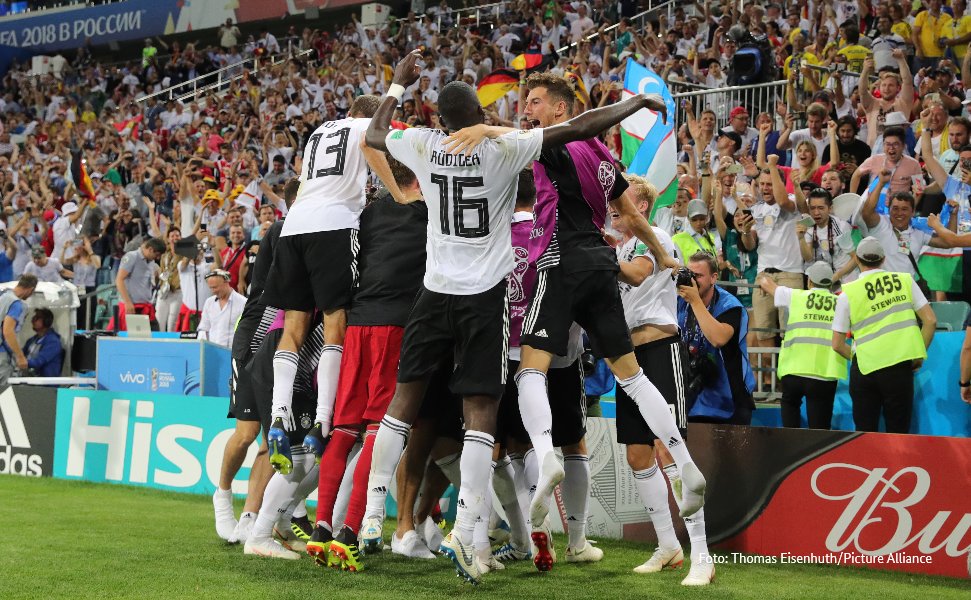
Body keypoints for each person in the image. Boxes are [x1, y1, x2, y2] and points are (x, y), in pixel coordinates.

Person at [360, 54, 677, 584]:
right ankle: (467, 531)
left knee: (403, 403)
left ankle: (373, 517)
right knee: (482, 415)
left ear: (440, 121)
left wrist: (397, 82)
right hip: (484, 297)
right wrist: (634, 103)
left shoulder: (422, 144)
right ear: (478, 115)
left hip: (434, 292)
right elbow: (578, 127)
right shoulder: (505, 149)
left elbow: (373, 134)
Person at [444, 71, 706, 576]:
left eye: (536, 102)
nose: (528, 108)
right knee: (630, 377)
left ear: (561, 110)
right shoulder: (602, 155)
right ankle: (685, 463)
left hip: (559, 264)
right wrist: (659, 252)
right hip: (599, 267)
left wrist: (484, 130)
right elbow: (627, 211)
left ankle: (547, 458)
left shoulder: (557, 144)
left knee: (530, 373)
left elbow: (524, 139)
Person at [261, 93, 398, 478]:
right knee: (336, 324)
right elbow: (373, 150)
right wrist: (398, 194)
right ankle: (323, 421)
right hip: (334, 227)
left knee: (294, 328)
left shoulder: (320, 130)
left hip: (294, 226)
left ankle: (278, 416)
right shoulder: (364, 127)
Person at [307, 158, 428, 570]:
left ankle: (322, 526)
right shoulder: (430, 213)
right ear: (418, 175)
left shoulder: (369, 212)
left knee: (343, 431)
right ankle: (350, 532)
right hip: (396, 328)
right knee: (379, 431)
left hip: (357, 326)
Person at [612, 177, 713, 586]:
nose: (614, 207)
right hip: (627, 357)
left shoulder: (653, 237)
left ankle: (702, 555)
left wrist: (591, 258)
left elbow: (637, 275)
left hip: (659, 349)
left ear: (641, 205)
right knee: (638, 454)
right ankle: (668, 545)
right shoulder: (617, 245)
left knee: (668, 450)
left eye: (622, 201)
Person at [213, 179, 300, 546]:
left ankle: (250, 516)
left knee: (270, 436)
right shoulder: (281, 230)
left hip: (282, 340)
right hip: (253, 334)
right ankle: (222, 494)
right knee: (246, 434)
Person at [832, 237, 937, 433]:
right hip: (898, 369)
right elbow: (930, 321)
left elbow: (837, 344)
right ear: (883, 259)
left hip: (864, 371)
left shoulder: (848, 293)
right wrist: (917, 355)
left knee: (865, 435)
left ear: (858, 260)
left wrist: (860, 358)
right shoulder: (905, 280)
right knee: (898, 435)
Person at [759, 262, 847, 429]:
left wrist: (764, 277)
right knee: (819, 432)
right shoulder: (840, 302)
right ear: (830, 284)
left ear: (809, 282)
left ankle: (792, 451)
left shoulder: (795, 296)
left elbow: (766, 282)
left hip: (793, 371)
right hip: (823, 375)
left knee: (790, 418)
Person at [677, 252, 756, 424]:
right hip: (692, 397)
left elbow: (718, 338)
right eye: (689, 275)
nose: (692, 280)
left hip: (729, 399)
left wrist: (695, 302)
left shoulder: (730, 305)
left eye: (698, 276)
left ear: (714, 278)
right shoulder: (679, 302)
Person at [798, 187, 858, 284]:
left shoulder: (840, 227)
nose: (816, 212)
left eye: (821, 208)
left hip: (846, 279)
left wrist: (836, 276)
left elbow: (855, 258)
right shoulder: (808, 226)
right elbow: (808, 258)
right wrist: (801, 238)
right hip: (824, 280)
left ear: (830, 208)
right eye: (812, 208)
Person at [114, 237, 165, 331]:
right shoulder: (131, 257)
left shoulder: (151, 261)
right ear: (150, 249)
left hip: (146, 306)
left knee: (154, 337)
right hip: (133, 307)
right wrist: (127, 302)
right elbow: (119, 280)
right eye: (157, 255)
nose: (157, 258)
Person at [0, 274, 37, 390]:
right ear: (31, 289)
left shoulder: (3, 296)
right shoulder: (16, 304)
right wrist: (20, 356)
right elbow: (7, 331)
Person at [197, 270, 246, 348]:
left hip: (233, 353)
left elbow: (246, 332)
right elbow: (203, 328)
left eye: (215, 287)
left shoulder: (243, 302)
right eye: (211, 288)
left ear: (226, 282)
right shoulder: (209, 302)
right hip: (212, 352)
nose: (213, 291)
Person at [672, 199, 721, 264]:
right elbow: (678, 267)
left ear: (706, 218)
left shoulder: (711, 237)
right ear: (688, 218)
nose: (698, 223)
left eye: (702, 219)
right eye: (694, 220)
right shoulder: (677, 239)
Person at [23, 308, 63, 377]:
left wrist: (21, 362)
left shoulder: (53, 342)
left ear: (46, 321)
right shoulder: (32, 340)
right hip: (31, 378)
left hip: (45, 384)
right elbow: (21, 353)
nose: (32, 320)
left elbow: (38, 362)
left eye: (37, 318)